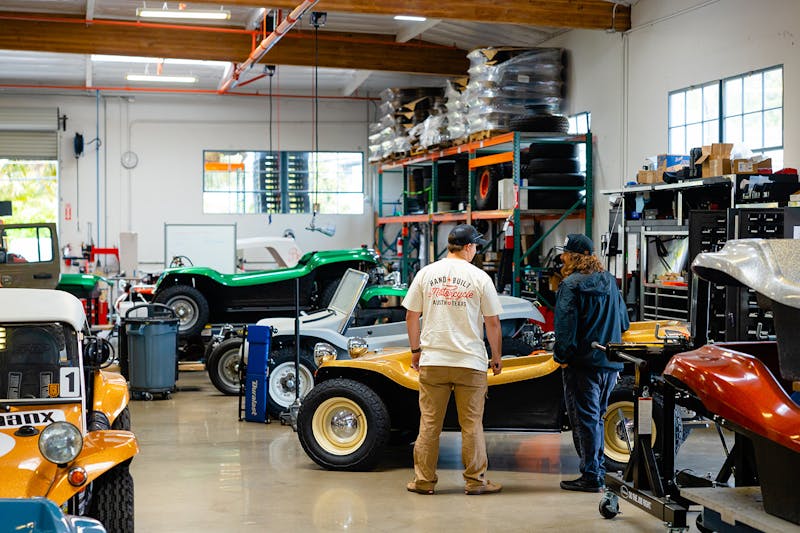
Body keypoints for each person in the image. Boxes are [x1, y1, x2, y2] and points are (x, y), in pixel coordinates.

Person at [403, 223, 504, 496]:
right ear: (469, 247)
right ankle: (475, 482)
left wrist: (416, 350)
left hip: (433, 361)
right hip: (469, 363)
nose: (476, 251)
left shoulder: (426, 274)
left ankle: (423, 482)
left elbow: (411, 316)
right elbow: (492, 323)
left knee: (429, 424)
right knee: (471, 425)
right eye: (476, 246)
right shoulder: (480, 278)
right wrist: (496, 357)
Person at [554, 233, 629, 493]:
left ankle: (590, 476)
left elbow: (565, 328)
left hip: (582, 365)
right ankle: (595, 471)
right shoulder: (609, 281)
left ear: (572, 256)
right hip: (609, 363)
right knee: (596, 418)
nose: (561, 257)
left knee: (584, 419)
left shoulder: (571, 285)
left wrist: (562, 358)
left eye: (564, 253)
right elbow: (624, 323)